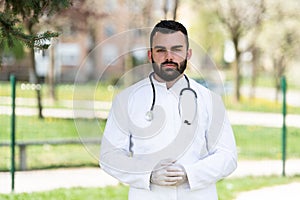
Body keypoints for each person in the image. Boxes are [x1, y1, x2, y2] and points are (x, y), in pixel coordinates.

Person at [100, 20, 237, 200]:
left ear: (188, 54)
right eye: (161, 50)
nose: (169, 57)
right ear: (150, 55)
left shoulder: (210, 100)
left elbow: (228, 156)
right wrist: (148, 173)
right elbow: (109, 155)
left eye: (177, 49)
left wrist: (189, 173)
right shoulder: (126, 100)